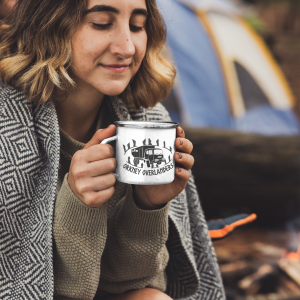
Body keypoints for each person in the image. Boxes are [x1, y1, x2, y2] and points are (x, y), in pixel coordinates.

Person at [0, 0, 225, 299]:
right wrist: (78, 204)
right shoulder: (8, 128)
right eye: (102, 23)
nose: (127, 48)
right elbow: (29, 286)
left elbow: (133, 283)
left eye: (137, 26)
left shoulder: (146, 121)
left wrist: (146, 206)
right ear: (51, 25)